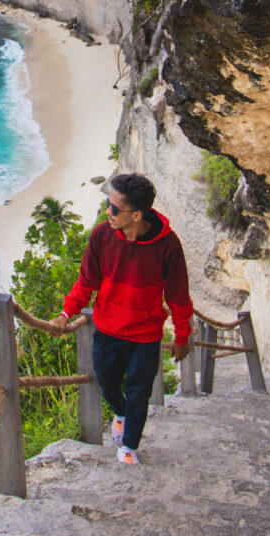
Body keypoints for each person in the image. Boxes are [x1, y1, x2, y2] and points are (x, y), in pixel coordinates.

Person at [51, 173, 193, 464]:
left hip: (145, 336)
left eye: (114, 208)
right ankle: (120, 412)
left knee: (139, 393)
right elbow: (87, 281)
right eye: (108, 203)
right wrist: (66, 314)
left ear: (136, 215)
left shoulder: (168, 245)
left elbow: (178, 296)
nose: (108, 211)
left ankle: (129, 447)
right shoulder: (102, 235)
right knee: (107, 383)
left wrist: (181, 337)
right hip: (107, 329)